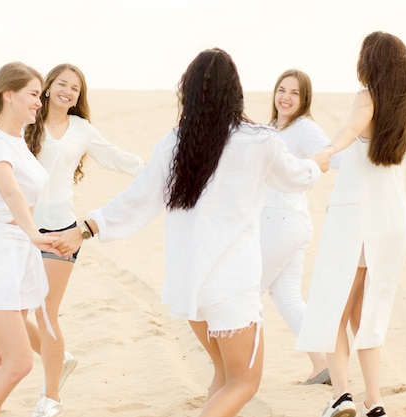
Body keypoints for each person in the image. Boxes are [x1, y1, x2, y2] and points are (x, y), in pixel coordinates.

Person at [55, 48, 330, 417]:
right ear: (235, 92)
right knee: (244, 382)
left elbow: (137, 200)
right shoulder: (258, 140)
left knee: (223, 373)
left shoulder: (176, 141)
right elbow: (297, 177)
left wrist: (86, 228)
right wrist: (316, 164)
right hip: (231, 288)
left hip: (190, 287)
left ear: (189, 92)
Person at [297, 31, 406, 417]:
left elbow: (352, 128)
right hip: (391, 220)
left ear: (371, 62)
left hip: (358, 221)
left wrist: (328, 150)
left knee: (335, 308)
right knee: (366, 314)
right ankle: (375, 401)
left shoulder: (367, 97)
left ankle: (341, 395)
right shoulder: (403, 109)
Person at [23, 63, 145, 417]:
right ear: (47, 87)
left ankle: (51, 398)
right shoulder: (28, 119)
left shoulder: (81, 130)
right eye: (62, 84)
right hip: (24, 229)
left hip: (61, 231)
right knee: (14, 313)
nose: (68, 91)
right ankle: (60, 358)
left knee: (46, 311)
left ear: (79, 97)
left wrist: (157, 168)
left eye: (75, 88)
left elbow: (118, 159)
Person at [0, 62, 61, 417]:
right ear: (8, 95)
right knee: (19, 363)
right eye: (34, 94)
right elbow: (11, 192)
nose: (39, 102)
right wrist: (34, 233)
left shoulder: (18, 143)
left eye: (40, 95)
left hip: (17, 258)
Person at [260, 69, 340, 385]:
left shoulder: (304, 129)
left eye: (294, 93)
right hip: (286, 223)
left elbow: (334, 156)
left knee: (247, 292)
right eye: (282, 90)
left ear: (304, 99)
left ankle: (236, 373)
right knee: (287, 296)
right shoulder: (270, 130)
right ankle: (325, 366)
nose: (286, 97)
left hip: (281, 223)